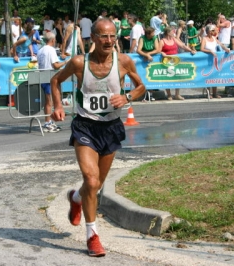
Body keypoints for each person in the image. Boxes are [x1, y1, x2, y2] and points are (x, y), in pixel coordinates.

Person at [49, 18, 145, 257]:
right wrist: (58, 106)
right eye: (103, 36)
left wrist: (128, 97)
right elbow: (55, 80)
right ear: (93, 38)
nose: (109, 41)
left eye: (112, 36)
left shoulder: (123, 61)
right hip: (85, 127)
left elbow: (141, 87)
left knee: (97, 185)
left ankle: (75, 197)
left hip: (111, 127)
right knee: (91, 182)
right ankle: (92, 237)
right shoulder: (79, 63)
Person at [37, 32, 69, 133]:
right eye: (54, 39)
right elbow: (55, 65)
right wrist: (66, 62)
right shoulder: (51, 50)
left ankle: (48, 121)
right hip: (49, 77)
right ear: (52, 40)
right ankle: (48, 123)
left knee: (48, 102)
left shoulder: (40, 50)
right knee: (49, 101)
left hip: (43, 76)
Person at [160, 26, 196, 101]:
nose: (174, 33)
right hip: (166, 62)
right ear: (168, 33)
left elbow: (182, 45)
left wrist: (190, 50)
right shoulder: (162, 41)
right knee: (167, 78)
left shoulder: (174, 39)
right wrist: (162, 52)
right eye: (172, 32)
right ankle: (169, 95)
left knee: (178, 77)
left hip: (176, 61)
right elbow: (158, 50)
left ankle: (177, 94)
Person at [200, 24, 230, 99]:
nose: (214, 32)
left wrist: (226, 49)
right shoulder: (204, 38)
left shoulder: (214, 38)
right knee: (208, 76)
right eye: (212, 30)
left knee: (215, 76)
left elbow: (220, 44)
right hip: (207, 60)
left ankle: (215, 93)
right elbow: (202, 49)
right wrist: (210, 51)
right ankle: (208, 92)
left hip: (215, 60)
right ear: (208, 31)